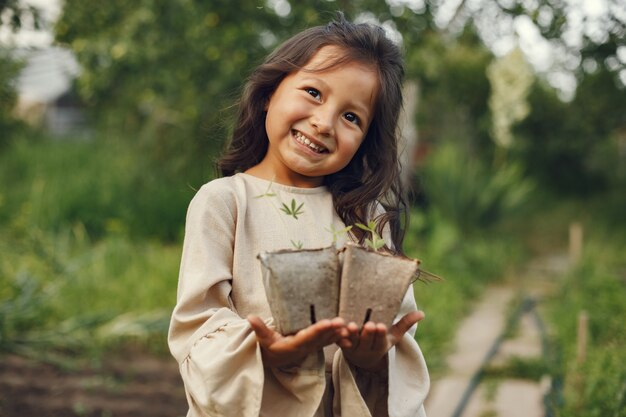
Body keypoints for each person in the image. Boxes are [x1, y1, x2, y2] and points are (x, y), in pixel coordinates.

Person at [168, 13, 429, 417]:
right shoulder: (224, 201)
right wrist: (265, 350)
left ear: (364, 141)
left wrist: (371, 357)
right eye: (313, 92)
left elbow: (391, 335)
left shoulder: (366, 217)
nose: (324, 123)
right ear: (271, 92)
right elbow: (198, 326)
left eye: (351, 117)